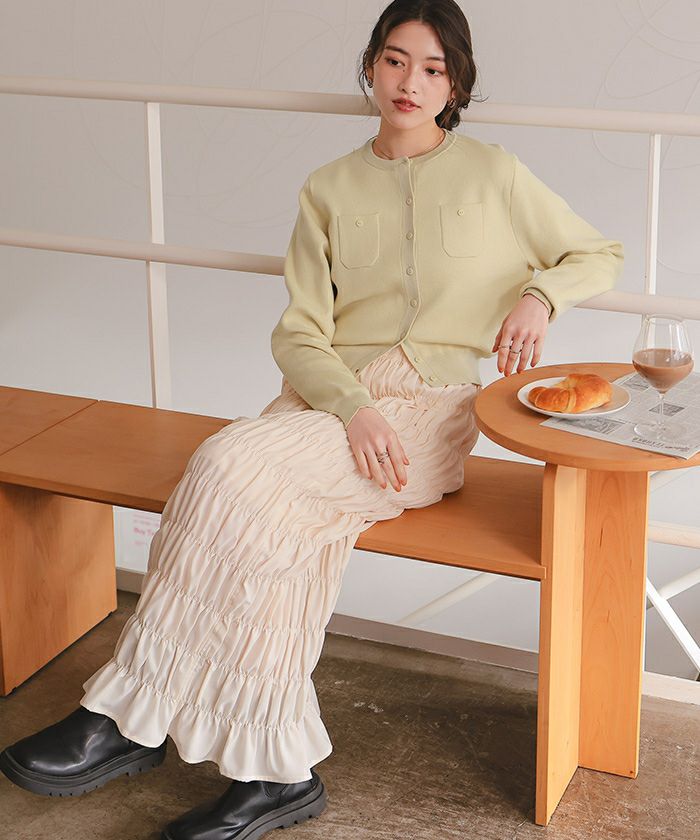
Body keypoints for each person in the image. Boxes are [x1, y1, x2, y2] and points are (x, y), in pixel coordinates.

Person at [0, 1, 624, 838]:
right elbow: (299, 333)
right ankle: (274, 775)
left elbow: (598, 252)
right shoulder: (328, 187)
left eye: (433, 68)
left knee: (227, 466)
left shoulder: (495, 174)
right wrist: (352, 406)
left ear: (457, 84)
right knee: (275, 518)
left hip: (429, 409)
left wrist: (540, 296)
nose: (410, 82)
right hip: (327, 401)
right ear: (370, 65)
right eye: (396, 60)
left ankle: (125, 717)